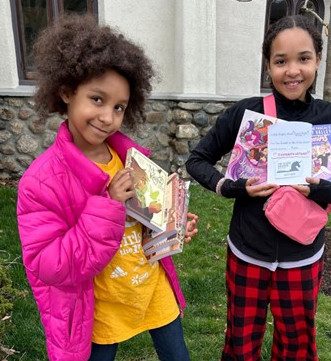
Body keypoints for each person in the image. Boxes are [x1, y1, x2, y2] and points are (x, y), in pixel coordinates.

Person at [186, 14, 331, 361]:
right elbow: (197, 160)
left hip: (302, 256)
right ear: (268, 65)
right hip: (247, 251)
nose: (292, 70)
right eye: (281, 61)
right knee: (240, 341)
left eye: (304, 59)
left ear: (318, 61)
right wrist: (232, 187)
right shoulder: (246, 114)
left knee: (297, 345)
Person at [16, 15, 198, 361]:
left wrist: (172, 226)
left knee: (178, 355)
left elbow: (145, 218)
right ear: (67, 91)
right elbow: (47, 263)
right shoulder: (41, 182)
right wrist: (108, 204)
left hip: (150, 286)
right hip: (98, 305)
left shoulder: (128, 157)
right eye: (97, 99)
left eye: (119, 107)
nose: (108, 117)